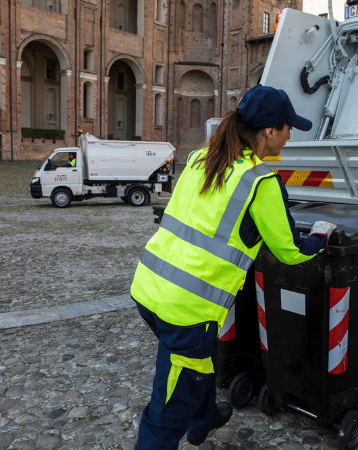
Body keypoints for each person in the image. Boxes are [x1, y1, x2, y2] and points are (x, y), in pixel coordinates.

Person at [130, 85, 337, 449]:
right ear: (270, 132)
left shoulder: (200, 158)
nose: (290, 135)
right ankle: (185, 421)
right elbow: (289, 251)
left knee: (197, 363)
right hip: (187, 310)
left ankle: (204, 418)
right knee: (165, 414)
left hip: (148, 289)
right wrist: (321, 238)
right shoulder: (261, 181)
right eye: (289, 128)